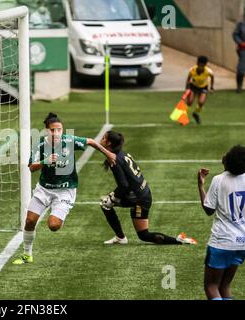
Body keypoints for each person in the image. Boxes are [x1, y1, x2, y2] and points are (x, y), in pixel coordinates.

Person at [12, 113, 116, 264]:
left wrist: (108, 154)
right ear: (47, 130)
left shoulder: (69, 140)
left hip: (65, 190)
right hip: (44, 189)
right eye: (53, 130)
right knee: (29, 221)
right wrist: (45, 161)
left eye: (59, 129)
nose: (56, 133)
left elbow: (91, 141)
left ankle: (60, 212)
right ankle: (27, 254)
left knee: (53, 226)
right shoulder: (39, 145)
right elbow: (31, 168)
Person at [99, 130, 197, 245]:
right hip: (141, 193)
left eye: (104, 138)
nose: (101, 139)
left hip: (139, 198)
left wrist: (113, 197)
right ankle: (120, 237)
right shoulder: (121, 153)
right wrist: (114, 196)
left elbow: (123, 185)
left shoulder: (114, 160)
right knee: (106, 203)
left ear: (109, 143)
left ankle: (121, 238)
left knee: (143, 235)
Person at [197, 145, 245, 300]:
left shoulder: (219, 180)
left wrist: (200, 185)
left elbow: (208, 209)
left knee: (211, 286)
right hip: (241, 242)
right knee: (224, 286)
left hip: (222, 241)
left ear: (228, 161)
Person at [185, 56, 215, 125]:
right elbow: (188, 79)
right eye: (200, 64)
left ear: (205, 65)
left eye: (203, 65)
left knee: (201, 102)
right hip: (193, 86)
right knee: (189, 102)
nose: (201, 66)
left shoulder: (209, 71)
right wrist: (186, 88)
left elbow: (212, 77)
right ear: (197, 63)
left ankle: (195, 113)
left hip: (203, 87)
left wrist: (212, 87)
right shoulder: (192, 70)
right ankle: (184, 116)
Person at [233, 12, 245, 93]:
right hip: (243, 49)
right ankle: (239, 86)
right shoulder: (241, 24)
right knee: (241, 69)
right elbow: (235, 34)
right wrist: (240, 42)